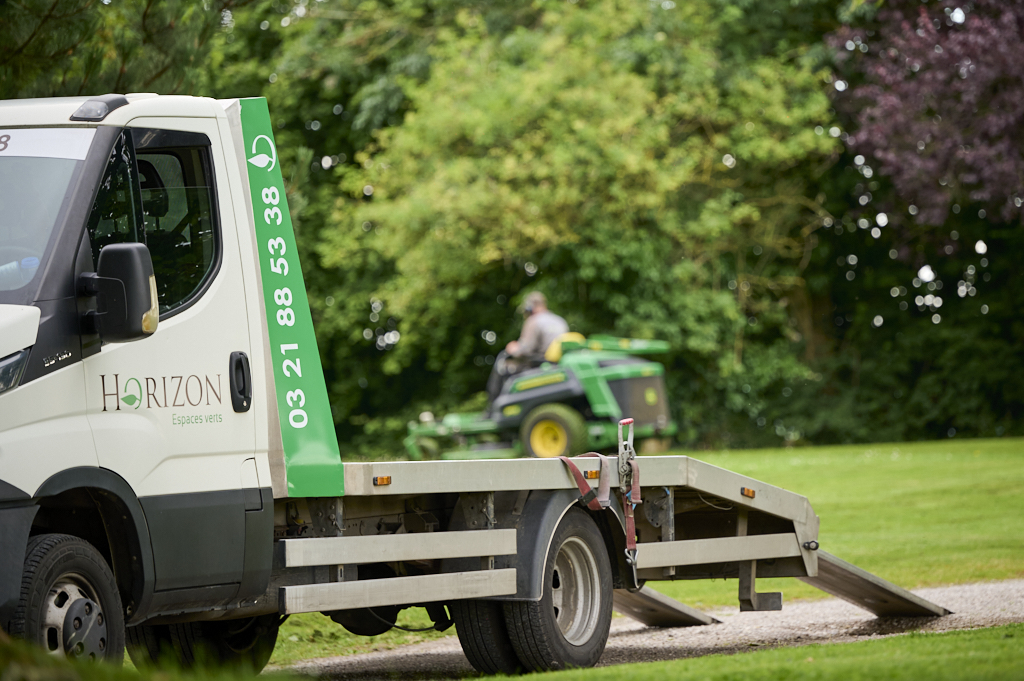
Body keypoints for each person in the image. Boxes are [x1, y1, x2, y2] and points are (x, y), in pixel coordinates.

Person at [487, 291, 568, 404]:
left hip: (537, 364)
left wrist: (513, 348)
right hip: (557, 364)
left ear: (530, 308)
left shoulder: (533, 321)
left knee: (501, 364)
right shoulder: (560, 321)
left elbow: (525, 350)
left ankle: (493, 407)